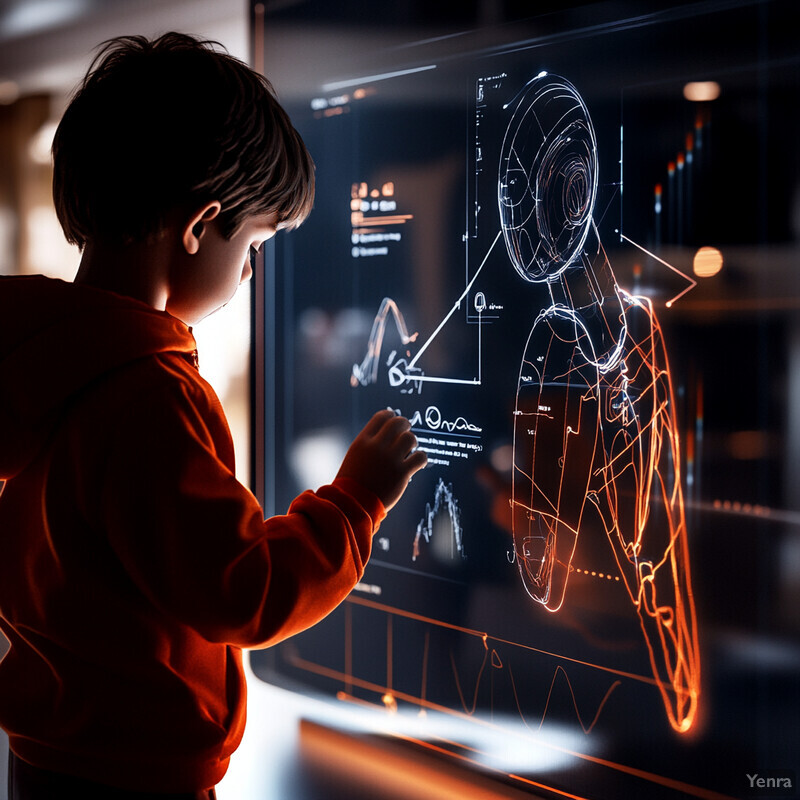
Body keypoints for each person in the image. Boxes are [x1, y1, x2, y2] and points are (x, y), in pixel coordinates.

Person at [0, 32, 427, 799]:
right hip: (139, 773)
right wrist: (357, 501)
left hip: (47, 751)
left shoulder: (37, 354)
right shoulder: (146, 394)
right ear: (201, 224)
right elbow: (243, 590)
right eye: (255, 242)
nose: (252, 268)